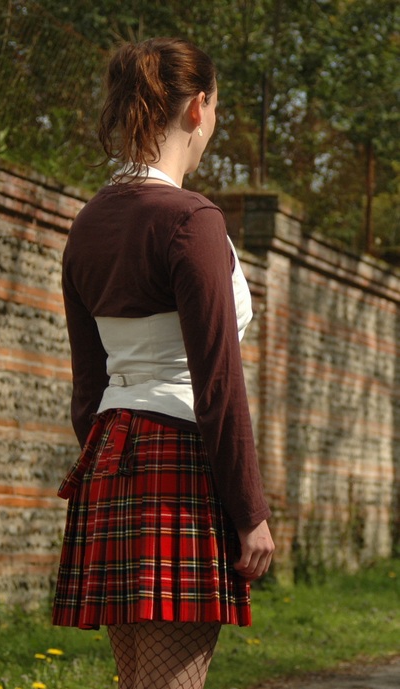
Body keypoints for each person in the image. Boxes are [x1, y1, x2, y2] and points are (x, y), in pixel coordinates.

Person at [52, 37, 275, 689]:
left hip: (111, 463)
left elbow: (87, 385)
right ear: (199, 108)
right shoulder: (190, 220)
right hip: (179, 467)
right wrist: (249, 509)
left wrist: (108, 473)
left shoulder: (90, 222)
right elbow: (219, 385)